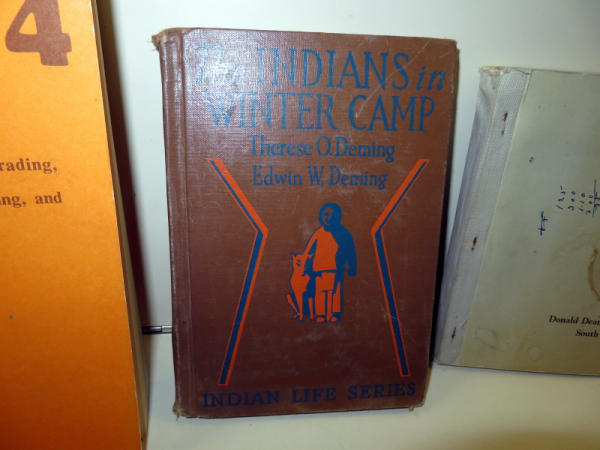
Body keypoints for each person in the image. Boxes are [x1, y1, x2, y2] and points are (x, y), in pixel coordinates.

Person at [303, 203, 356, 322]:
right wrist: (305, 266)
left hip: (337, 269)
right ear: (321, 216)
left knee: (335, 292)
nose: (329, 218)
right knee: (320, 292)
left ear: (338, 216)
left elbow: (350, 251)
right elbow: (308, 251)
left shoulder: (344, 233)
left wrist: (352, 267)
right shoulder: (318, 233)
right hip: (319, 270)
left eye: (333, 215)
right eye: (326, 214)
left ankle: (333, 314)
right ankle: (321, 314)